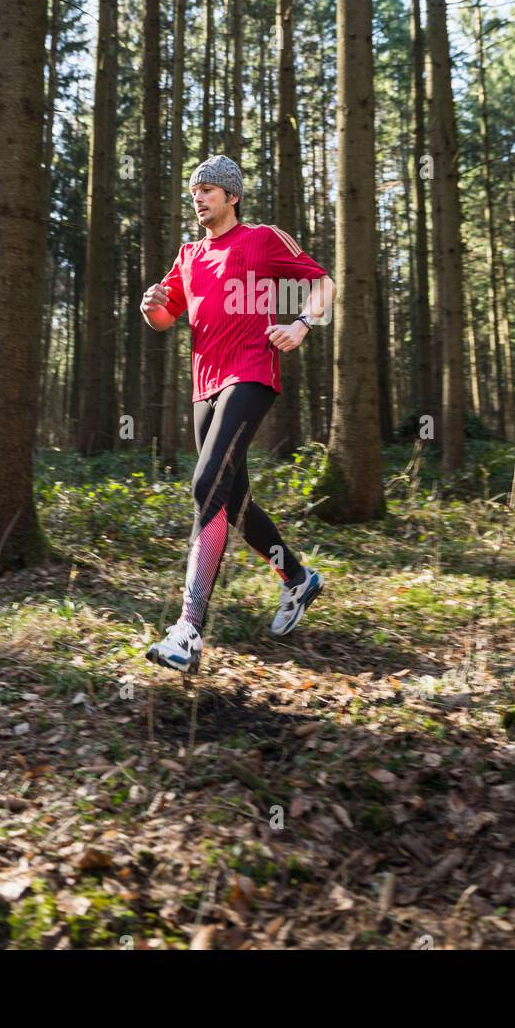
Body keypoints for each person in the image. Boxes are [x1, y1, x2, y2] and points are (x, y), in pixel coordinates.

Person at [141, 154, 335, 674]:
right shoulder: (188, 254)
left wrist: (302, 325)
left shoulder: (264, 238)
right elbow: (166, 318)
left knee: (206, 487)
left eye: (207, 189)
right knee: (234, 501)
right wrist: (151, 306)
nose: (199, 198)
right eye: (193, 191)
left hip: (250, 373)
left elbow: (323, 284)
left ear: (232, 196)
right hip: (204, 386)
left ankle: (188, 630)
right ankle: (296, 578)